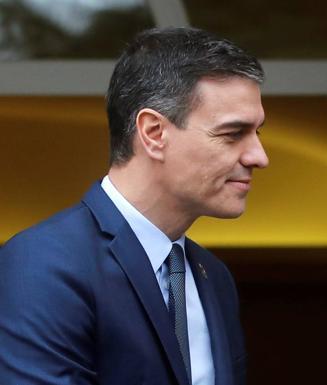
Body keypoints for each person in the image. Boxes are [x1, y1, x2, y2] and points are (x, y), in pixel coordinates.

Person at [0, 27, 268, 385]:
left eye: (257, 133)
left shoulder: (213, 276)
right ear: (154, 133)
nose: (259, 156)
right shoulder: (43, 264)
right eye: (233, 134)